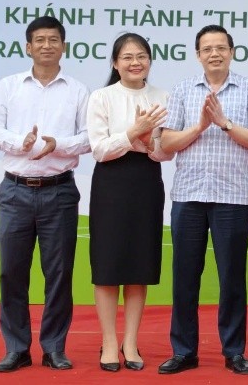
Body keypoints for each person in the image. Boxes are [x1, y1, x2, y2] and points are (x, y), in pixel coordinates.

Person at [156, 25, 248, 375]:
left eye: (221, 47)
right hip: (189, 196)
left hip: (232, 198)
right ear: (198, 55)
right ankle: (184, 351)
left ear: (232, 52)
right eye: (207, 49)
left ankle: (234, 351)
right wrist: (199, 126)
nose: (214, 54)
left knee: (232, 278)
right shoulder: (182, 90)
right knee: (184, 277)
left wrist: (224, 123)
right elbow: (166, 144)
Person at [0, 16, 90, 373]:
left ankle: (54, 348)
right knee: (11, 272)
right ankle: (16, 348)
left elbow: (89, 138)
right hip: (15, 191)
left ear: (64, 46)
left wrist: (57, 145)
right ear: (28, 47)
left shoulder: (78, 90)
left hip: (59, 191)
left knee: (59, 274)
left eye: (53, 39)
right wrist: (21, 142)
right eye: (40, 40)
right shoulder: (9, 86)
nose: (47, 45)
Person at [86, 32, 172, 372]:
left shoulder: (163, 97)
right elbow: (99, 149)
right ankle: (109, 342)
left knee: (139, 265)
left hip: (147, 182)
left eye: (141, 56)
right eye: (127, 57)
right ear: (115, 63)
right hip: (111, 183)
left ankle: (131, 342)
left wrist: (151, 144)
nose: (135, 63)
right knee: (108, 266)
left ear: (150, 60)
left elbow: (166, 152)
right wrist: (134, 133)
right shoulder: (102, 97)